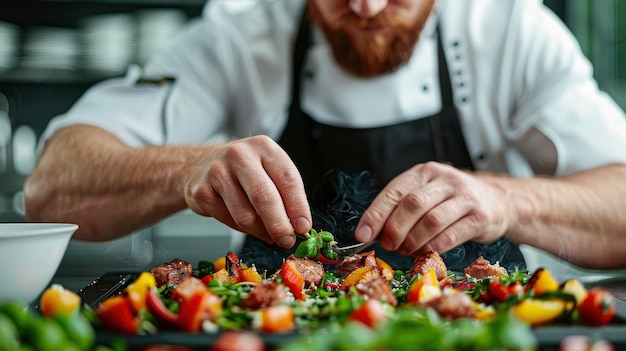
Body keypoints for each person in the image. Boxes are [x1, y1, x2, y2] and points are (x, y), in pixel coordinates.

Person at [24, 0, 626, 272]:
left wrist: (508, 200)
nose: (366, 8)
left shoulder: (512, 29)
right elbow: (50, 189)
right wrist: (184, 169)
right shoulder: (242, 31)